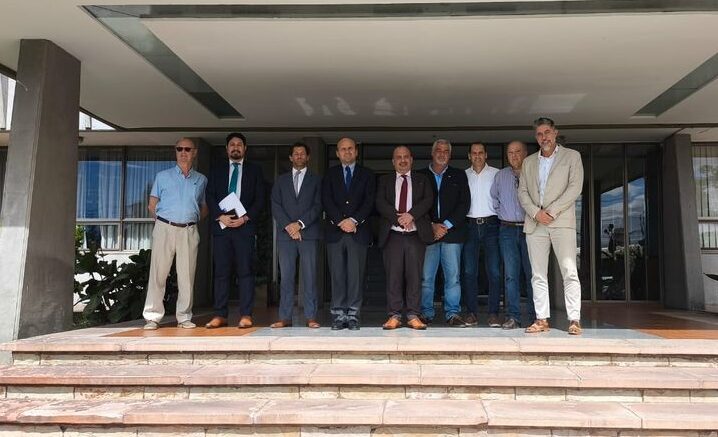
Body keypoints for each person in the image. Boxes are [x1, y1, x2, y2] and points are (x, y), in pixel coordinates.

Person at [518, 117, 584, 335]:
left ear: (555, 133)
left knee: (569, 270)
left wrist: (551, 212)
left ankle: (574, 319)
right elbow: (522, 192)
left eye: (547, 132)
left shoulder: (572, 156)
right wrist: (536, 213)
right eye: (539, 134)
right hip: (535, 223)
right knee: (538, 274)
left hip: (561, 222)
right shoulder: (528, 162)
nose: (543, 137)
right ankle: (541, 319)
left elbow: (575, 187)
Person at [143, 137, 208, 330]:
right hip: (165, 228)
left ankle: (184, 317)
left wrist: (192, 219)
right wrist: (164, 223)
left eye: (187, 149)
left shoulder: (201, 180)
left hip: (188, 230)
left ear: (194, 153)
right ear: (176, 151)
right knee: (158, 273)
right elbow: (152, 205)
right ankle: (153, 317)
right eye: (180, 149)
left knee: (187, 276)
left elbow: (204, 207)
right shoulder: (162, 176)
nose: (183, 152)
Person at [205, 132, 266, 329]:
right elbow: (209, 196)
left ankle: (246, 315)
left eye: (239, 144)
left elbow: (260, 198)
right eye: (232, 144)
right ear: (227, 149)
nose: (236, 147)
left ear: (245, 148)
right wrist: (219, 216)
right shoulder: (216, 170)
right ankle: (220, 315)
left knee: (246, 272)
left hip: (244, 228)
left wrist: (245, 218)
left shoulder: (255, 170)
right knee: (221, 272)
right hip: (222, 228)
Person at [376, 146, 434, 330]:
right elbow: (380, 202)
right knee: (393, 276)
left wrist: (411, 215)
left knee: (414, 277)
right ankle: (394, 315)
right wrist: (399, 219)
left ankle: (413, 315)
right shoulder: (384, 180)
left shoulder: (422, 179)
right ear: (393, 161)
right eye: (398, 157)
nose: (402, 160)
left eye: (406, 157)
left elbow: (428, 200)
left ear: (411, 159)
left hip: (415, 235)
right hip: (393, 235)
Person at [322, 137, 376, 330]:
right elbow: (326, 200)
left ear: (356, 151)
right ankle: (338, 315)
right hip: (335, 232)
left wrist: (353, 220)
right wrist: (341, 221)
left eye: (350, 148)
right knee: (337, 276)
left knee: (355, 276)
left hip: (358, 232)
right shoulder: (329, 174)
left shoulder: (367, 174)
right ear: (337, 153)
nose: (347, 151)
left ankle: (353, 315)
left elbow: (369, 201)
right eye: (343, 149)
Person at [417, 139, 470, 326]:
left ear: (450, 154)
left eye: (446, 151)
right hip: (427, 235)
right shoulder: (420, 175)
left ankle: (453, 313)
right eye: (438, 150)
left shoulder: (459, 175)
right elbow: (416, 205)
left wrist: (445, 225)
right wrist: (431, 226)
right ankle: (426, 313)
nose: (442, 154)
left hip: (452, 234)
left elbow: (464, 204)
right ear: (432, 153)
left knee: (453, 278)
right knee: (426, 278)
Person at [270, 142, 322, 328]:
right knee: (286, 277)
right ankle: (285, 317)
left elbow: (318, 205)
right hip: (286, 236)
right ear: (291, 157)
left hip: (308, 234)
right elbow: (276, 205)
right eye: (296, 153)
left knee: (310, 276)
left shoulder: (316, 180)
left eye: (302, 153)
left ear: (308, 157)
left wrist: (299, 224)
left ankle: (311, 316)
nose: (299, 156)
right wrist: (289, 227)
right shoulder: (280, 180)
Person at [490, 140, 535, 329]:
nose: (514, 155)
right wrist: (503, 214)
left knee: (533, 274)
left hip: (531, 229)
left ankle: (536, 317)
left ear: (525, 153)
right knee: (510, 275)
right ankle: (513, 317)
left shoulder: (534, 173)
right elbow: (494, 199)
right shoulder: (501, 176)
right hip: (507, 230)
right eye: (510, 152)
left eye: (517, 151)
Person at [462, 142, 501, 327]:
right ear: (469, 156)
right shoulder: (463, 175)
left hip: (492, 225)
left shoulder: (496, 174)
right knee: (469, 272)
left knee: (494, 271)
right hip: (469, 225)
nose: (477, 156)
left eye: (480, 153)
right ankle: (471, 313)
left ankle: (493, 313)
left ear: (486, 155)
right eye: (474, 153)